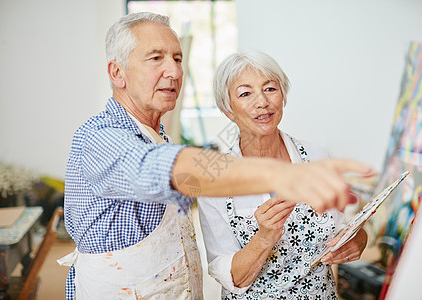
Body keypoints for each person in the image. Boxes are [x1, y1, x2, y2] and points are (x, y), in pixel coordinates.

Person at [59, 12, 371, 300]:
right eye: (156, 58)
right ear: (118, 72)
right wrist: (283, 174)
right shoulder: (100, 136)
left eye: (178, 58)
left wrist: (358, 238)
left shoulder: (155, 134)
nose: (174, 70)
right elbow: (166, 168)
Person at [197, 49, 369, 299]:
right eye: (245, 93)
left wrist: (359, 239)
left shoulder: (317, 156)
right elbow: (228, 276)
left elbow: (340, 228)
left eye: (270, 89)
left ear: (283, 95)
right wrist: (265, 237)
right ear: (228, 110)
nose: (262, 103)